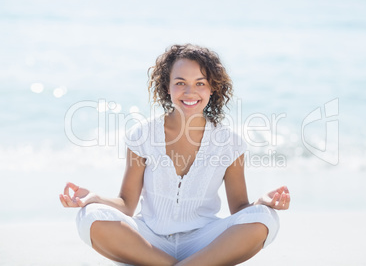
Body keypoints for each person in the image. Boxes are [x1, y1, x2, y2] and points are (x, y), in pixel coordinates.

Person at [59, 44, 290, 266]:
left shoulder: (230, 143)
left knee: (265, 217)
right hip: (149, 239)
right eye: (180, 82)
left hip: (205, 241)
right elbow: (127, 204)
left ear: (213, 88)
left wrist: (261, 203)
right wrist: (95, 197)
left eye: (200, 83)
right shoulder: (143, 135)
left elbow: (239, 208)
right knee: (89, 216)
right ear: (167, 86)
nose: (190, 92)